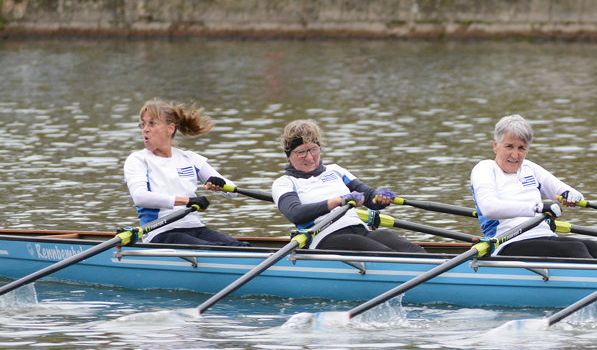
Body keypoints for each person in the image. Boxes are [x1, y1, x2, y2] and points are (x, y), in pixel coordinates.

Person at [470, 114, 597, 260]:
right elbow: (490, 208)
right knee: (574, 248)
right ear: (495, 145)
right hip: (506, 243)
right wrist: (538, 208)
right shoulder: (485, 168)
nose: (515, 155)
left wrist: (571, 197)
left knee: (592, 246)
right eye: (509, 146)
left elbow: (567, 192)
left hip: (543, 236)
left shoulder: (529, 168)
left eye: (522, 148)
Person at [271, 119, 424, 253]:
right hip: (327, 237)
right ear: (289, 155)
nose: (310, 157)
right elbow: (296, 214)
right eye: (301, 152)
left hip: (360, 231)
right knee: (388, 255)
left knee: (410, 249)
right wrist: (338, 201)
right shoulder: (284, 183)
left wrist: (380, 198)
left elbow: (369, 198)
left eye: (313, 149)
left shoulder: (336, 170)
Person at [123, 99, 249, 247]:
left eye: (152, 123)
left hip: (195, 227)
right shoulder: (138, 160)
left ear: (170, 128)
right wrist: (187, 201)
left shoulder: (189, 158)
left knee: (242, 247)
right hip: (161, 232)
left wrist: (220, 184)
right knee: (213, 250)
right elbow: (140, 197)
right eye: (143, 124)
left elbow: (232, 191)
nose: (145, 129)